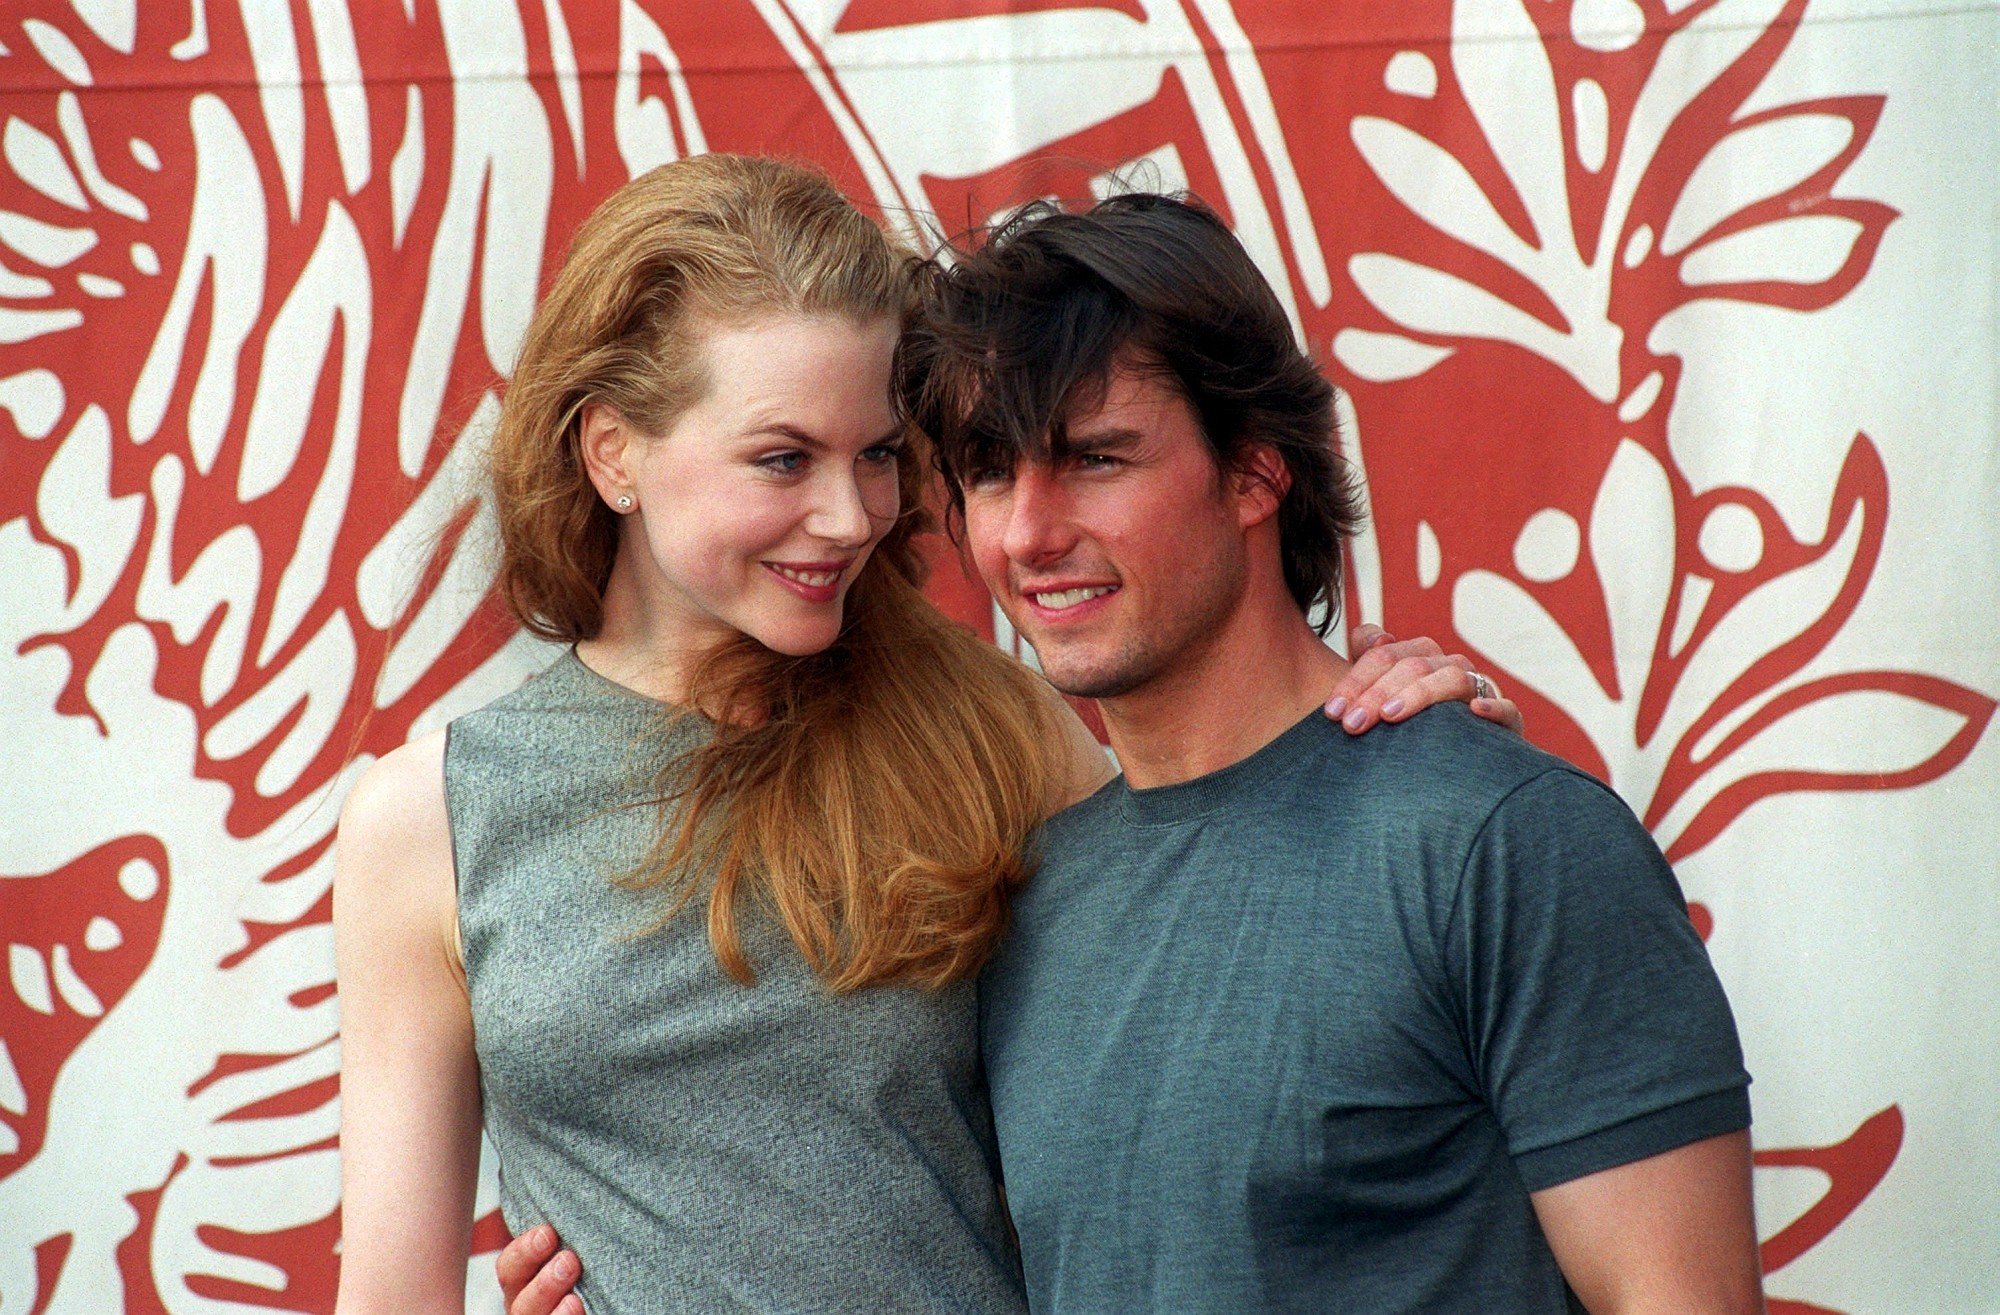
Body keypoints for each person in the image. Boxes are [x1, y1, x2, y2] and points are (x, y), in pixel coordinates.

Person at [334, 157, 1513, 1315]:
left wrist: (1380, 752)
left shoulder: (991, 726)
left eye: (881, 455)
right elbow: (391, 1296)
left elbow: (1232, 941)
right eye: (782, 458)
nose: (849, 516)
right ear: (612, 453)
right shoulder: (431, 819)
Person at [906, 193, 1765, 1313]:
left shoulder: (1501, 844)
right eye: (987, 473)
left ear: (1257, 473)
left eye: (1095, 459)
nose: (1025, 531)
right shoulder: (1028, 901)